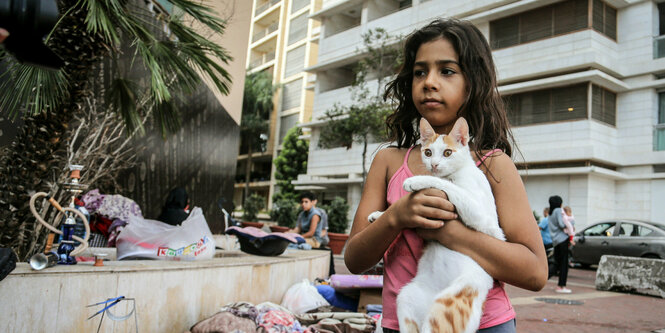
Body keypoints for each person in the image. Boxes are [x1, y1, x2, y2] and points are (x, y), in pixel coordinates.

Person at [344, 19, 547, 332]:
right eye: (420, 72)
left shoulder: (495, 165)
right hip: (406, 321)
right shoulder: (387, 161)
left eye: (447, 71)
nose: (429, 82)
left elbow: (535, 273)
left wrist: (452, 234)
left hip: (483, 323)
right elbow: (354, 259)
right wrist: (396, 216)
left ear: (472, 82)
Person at [547, 195, 572, 293]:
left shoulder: (550, 212)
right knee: (564, 263)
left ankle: (544, 277)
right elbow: (561, 224)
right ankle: (561, 286)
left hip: (555, 241)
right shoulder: (558, 210)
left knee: (556, 262)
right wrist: (570, 225)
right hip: (562, 239)